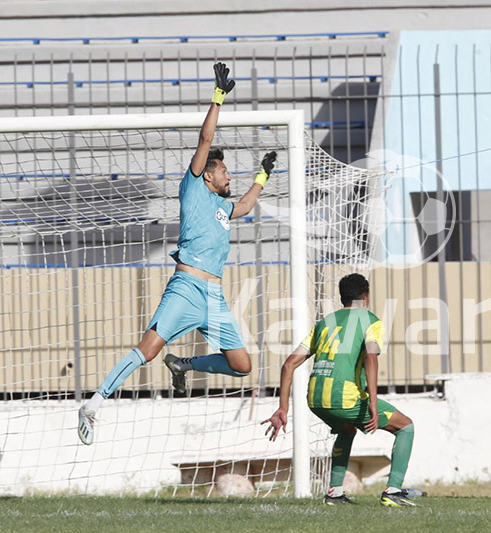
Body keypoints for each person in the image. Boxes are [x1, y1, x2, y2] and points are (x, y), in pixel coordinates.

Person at [77, 62, 278, 445]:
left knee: (242, 365)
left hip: (214, 296)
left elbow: (247, 206)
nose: (228, 177)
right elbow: (205, 141)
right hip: (186, 289)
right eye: (225, 172)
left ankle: (184, 364)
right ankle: (94, 405)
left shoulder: (223, 207)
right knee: (148, 349)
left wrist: (262, 176)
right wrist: (218, 98)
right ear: (208, 175)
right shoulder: (193, 188)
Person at [262, 274, 417, 507]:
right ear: (366, 296)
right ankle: (393, 491)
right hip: (344, 398)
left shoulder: (325, 323)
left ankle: (334, 493)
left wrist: (283, 407)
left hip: (314, 398)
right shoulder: (370, 320)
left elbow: (288, 365)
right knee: (405, 427)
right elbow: (371, 359)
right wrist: (373, 402)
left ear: (341, 297)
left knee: (346, 430)